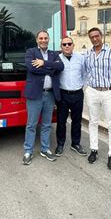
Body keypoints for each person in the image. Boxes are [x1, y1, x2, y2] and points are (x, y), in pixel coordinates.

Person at [84, 27, 111, 170]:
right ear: (90, 39)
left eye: (97, 36)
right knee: (93, 122)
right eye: (92, 37)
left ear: (101, 36)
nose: (94, 39)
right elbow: (86, 71)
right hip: (93, 91)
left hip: (109, 92)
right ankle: (93, 149)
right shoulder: (87, 54)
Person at [22, 30, 64, 165]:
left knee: (46, 124)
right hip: (35, 94)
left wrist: (44, 63)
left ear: (48, 39)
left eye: (45, 38)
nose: (43, 40)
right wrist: (51, 69)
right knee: (31, 124)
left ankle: (45, 149)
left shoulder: (54, 54)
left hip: (50, 94)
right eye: (41, 38)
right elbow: (32, 68)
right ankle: (28, 150)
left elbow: (61, 66)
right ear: (37, 40)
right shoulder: (31, 52)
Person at [55, 37, 87, 156]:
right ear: (61, 47)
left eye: (69, 44)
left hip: (78, 94)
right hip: (63, 94)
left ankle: (76, 143)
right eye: (64, 44)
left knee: (77, 121)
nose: (67, 46)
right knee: (61, 121)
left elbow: (85, 74)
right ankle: (60, 144)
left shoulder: (80, 58)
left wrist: (81, 85)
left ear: (73, 45)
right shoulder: (57, 59)